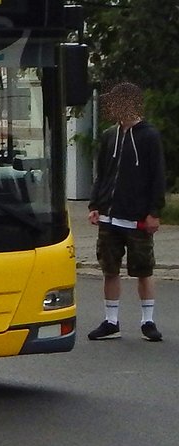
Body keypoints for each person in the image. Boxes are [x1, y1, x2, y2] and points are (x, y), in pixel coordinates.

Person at [87, 82, 166, 342]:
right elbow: (102, 174)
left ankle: (148, 321)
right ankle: (111, 321)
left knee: (143, 269)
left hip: (137, 217)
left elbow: (157, 176)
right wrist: (95, 205)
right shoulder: (110, 135)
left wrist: (154, 211)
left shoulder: (149, 136)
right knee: (110, 269)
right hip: (109, 216)